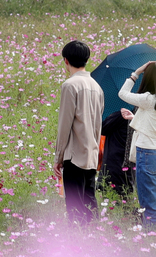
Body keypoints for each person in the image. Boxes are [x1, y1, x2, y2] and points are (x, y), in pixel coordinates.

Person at [119, 61, 156, 229]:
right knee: (154, 205)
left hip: (146, 154)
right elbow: (153, 120)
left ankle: (154, 242)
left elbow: (122, 94)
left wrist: (135, 73)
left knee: (148, 207)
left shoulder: (149, 99)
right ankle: (155, 239)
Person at [52, 40, 104, 226]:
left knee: (74, 208)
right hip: (90, 154)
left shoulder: (70, 85)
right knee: (90, 204)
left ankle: (78, 246)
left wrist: (58, 157)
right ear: (87, 60)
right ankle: (96, 240)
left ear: (66, 61)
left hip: (74, 155)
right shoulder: (97, 87)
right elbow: (98, 124)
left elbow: (64, 125)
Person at [99, 108, 136, 204]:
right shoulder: (138, 113)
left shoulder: (122, 114)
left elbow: (102, 128)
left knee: (113, 197)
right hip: (129, 162)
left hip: (114, 162)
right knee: (126, 195)